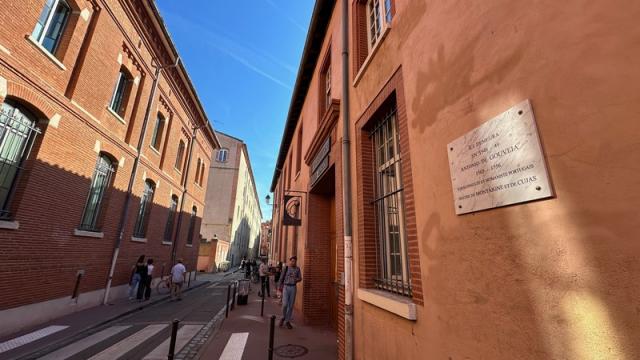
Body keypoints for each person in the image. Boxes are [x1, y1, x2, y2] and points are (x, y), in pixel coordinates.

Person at [279, 256, 302, 329]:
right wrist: (279, 289)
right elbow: (281, 278)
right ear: (290, 261)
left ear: (296, 262)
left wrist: (296, 279)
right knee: (285, 304)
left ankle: (287, 321)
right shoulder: (286, 268)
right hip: (286, 287)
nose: (293, 262)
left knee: (291, 305)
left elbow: (300, 278)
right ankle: (283, 317)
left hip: (293, 287)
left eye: (294, 261)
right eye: (292, 261)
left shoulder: (298, 269)